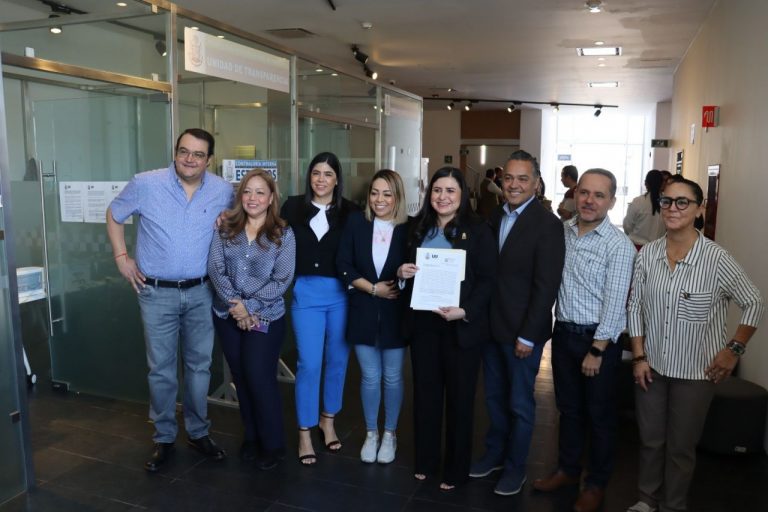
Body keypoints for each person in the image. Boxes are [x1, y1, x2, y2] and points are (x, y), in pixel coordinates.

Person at [626, 175, 764, 512]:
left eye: (682, 202)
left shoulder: (716, 258)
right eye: (666, 201)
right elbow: (635, 307)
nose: (673, 208)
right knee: (650, 441)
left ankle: (673, 506)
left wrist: (733, 349)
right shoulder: (648, 255)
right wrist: (639, 357)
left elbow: (754, 302)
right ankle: (646, 500)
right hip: (652, 368)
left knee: (681, 448)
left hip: (696, 373)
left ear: (700, 209)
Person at [107, 128, 233, 472]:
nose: (189, 159)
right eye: (183, 151)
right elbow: (114, 214)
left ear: (209, 160)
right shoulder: (146, 183)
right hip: (156, 292)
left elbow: (237, 225)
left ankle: (198, 432)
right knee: (161, 370)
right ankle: (163, 438)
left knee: (199, 367)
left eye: (198, 154)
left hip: (202, 291)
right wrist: (121, 258)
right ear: (175, 152)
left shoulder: (223, 190)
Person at [533, 169, 635, 512]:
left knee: (599, 416)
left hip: (597, 342)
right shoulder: (562, 232)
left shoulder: (618, 245)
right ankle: (567, 470)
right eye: (584, 193)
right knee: (569, 410)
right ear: (576, 195)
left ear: (612, 202)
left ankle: (596, 484)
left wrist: (597, 349)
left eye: (599, 195)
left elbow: (616, 303)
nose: (590, 200)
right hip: (563, 335)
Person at [470, 150, 565, 496]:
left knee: (520, 405)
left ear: (536, 184)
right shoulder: (495, 215)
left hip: (523, 333)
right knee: (494, 399)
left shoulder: (548, 225)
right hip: (491, 327)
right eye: (508, 178)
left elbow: (546, 286)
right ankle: (494, 455)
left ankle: (515, 468)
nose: (514, 185)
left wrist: (528, 335)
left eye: (523, 179)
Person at [398, 166, 496, 490]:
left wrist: (465, 311)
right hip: (424, 325)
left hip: (460, 326)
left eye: (450, 191)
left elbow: (487, 281)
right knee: (425, 396)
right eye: (437, 190)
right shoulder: (417, 228)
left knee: (460, 400)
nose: (443, 197)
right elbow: (403, 271)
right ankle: (425, 460)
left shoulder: (479, 230)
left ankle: (455, 468)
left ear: (462, 195)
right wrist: (402, 273)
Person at [208, 168, 295, 471]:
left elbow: (281, 279)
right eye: (247, 191)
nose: (253, 198)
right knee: (241, 377)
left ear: (271, 198)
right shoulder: (225, 229)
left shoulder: (283, 234)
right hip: (227, 315)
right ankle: (252, 436)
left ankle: (273, 444)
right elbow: (216, 269)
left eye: (260, 192)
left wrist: (249, 308)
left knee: (259, 377)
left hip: (265, 317)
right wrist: (237, 306)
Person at [280, 152, 357, 465]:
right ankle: (304, 431)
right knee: (309, 364)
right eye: (316, 173)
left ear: (337, 179)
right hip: (306, 295)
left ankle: (328, 420)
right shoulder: (292, 206)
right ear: (309, 176)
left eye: (328, 174)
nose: (321, 179)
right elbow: (269, 232)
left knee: (337, 361)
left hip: (341, 296)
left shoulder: (351, 212)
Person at [337, 169, 409, 464]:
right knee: (369, 376)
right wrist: (372, 289)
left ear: (397, 197)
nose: (379, 199)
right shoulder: (357, 222)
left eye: (387, 194)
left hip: (396, 314)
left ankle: (390, 433)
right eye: (375, 193)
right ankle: (371, 433)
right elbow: (343, 263)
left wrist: (402, 276)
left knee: (392, 377)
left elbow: (415, 271)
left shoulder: (408, 228)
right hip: (362, 310)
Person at [624, 170, 666, 249]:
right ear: (662, 184)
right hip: (659, 248)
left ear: (646, 183)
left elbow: (627, 226)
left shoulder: (638, 201)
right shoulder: (667, 203)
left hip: (637, 247)